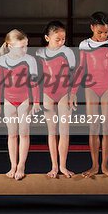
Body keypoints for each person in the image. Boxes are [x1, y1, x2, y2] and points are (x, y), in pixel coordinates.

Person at [75, 12, 108, 178]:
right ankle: (94, 166)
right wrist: (73, 92)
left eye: (106, 32)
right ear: (92, 28)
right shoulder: (84, 45)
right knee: (94, 128)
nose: (103, 36)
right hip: (91, 88)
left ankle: (105, 166)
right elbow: (81, 68)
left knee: (106, 128)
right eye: (100, 32)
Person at [0, 29, 41, 180]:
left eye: (26, 46)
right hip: (8, 101)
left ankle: (21, 165)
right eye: (21, 47)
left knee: (24, 134)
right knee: (12, 135)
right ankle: (13, 165)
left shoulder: (30, 60)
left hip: (24, 100)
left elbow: (34, 83)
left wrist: (36, 102)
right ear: (10, 46)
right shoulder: (1, 61)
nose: (25, 50)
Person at [36, 21, 75, 178]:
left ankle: (63, 166)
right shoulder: (40, 53)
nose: (61, 42)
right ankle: (54, 166)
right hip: (47, 94)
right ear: (47, 38)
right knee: (52, 132)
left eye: (63, 39)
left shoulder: (68, 53)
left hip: (64, 93)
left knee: (64, 132)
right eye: (57, 39)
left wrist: (73, 94)